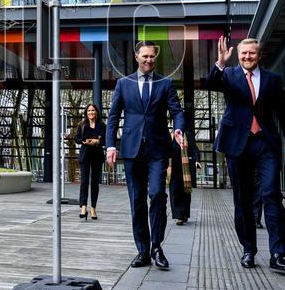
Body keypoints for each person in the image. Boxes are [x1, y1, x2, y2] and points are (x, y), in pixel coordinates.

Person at [206, 37, 285, 272]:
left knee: (271, 194)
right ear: (238, 55)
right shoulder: (228, 75)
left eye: (252, 54)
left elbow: (283, 114)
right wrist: (219, 63)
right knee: (243, 200)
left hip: (265, 144)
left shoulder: (272, 80)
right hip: (237, 144)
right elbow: (210, 84)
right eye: (244, 53)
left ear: (259, 56)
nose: (247, 57)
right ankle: (248, 250)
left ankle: (278, 253)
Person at [106, 41, 189, 270]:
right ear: (137, 57)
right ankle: (142, 250)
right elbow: (113, 117)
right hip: (132, 150)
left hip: (158, 149)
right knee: (137, 200)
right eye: (144, 56)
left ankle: (156, 246)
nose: (148, 60)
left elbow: (177, 111)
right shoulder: (124, 84)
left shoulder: (165, 83)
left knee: (158, 195)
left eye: (152, 56)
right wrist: (110, 146)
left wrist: (179, 128)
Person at [75, 103, 106, 220]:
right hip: (85, 155)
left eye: (93, 110)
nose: (91, 112)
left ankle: (93, 208)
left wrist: (97, 142)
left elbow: (105, 140)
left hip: (97, 155)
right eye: (89, 111)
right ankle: (83, 206)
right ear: (86, 112)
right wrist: (83, 141)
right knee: (84, 181)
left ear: (96, 112)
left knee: (94, 183)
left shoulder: (102, 125)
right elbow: (77, 138)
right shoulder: (81, 124)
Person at [169, 123, 199, 225]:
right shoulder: (170, 136)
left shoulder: (187, 135)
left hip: (185, 170)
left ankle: (184, 214)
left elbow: (195, 149)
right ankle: (179, 216)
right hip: (173, 169)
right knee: (174, 192)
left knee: (185, 192)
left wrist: (197, 160)